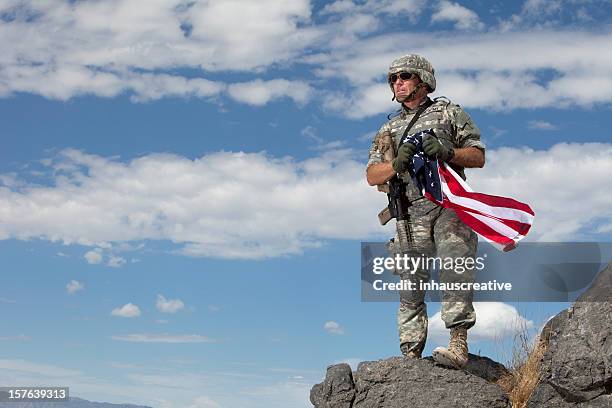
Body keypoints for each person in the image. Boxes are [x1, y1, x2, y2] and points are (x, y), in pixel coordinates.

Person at [366, 54, 486, 369]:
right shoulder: (389, 128)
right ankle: (410, 356)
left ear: (422, 79)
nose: (397, 83)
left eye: (404, 76)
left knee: (455, 268)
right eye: (393, 79)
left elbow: (477, 156)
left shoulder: (449, 113)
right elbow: (371, 175)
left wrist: (448, 152)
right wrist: (395, 164)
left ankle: (458, 344)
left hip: (448, 203)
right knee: (410, 283)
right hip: (409, 212)